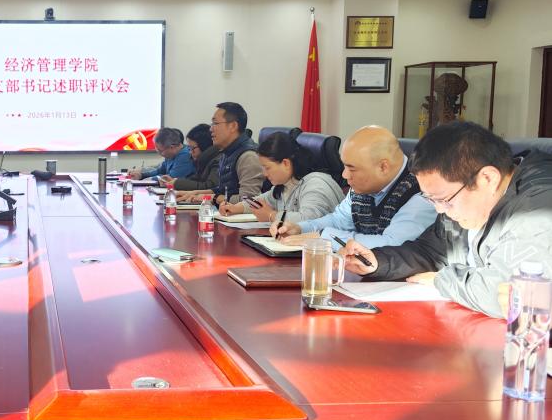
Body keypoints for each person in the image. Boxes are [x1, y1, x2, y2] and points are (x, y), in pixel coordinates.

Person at [340, 122, 552, 318]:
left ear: (488, 178)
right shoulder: (464, 200)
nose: (440, 210)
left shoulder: (538, 208)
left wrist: (442, 280)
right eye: (431, 199)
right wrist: (378, 262)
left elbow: (511, 294)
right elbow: (431, 252)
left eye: (444, 200)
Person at [272, 125, 436, 247]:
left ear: (383, 167)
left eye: (352, 168)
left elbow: (392, 244)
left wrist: (325, 237)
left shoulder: (423, 191)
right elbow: (338, 221)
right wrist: (301, 229)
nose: (344, 175)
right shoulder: (363, 187)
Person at [219, 131, 343, 222]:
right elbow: (262, 201)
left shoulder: (316, 184)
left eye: (267, 168)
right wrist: (236, 208)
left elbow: (309, 220)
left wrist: (271, 215)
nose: (264, 174)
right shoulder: (285, 184)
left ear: (285, 163)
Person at [177, 102, 263, 205]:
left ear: (233, 126)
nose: (210, 129)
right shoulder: (227, 152)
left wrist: (213, 198)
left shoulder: (248, 156)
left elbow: (250, 201)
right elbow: (223, 190)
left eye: (215, 123)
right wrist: (195, 193)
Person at [161, 124, 222, 191]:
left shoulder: (217, 161)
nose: (190, 152)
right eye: (189, 148)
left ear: (204, 146)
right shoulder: (203, 161)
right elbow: (196, 180)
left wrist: (177, 183)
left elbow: (211, 186)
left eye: (192, 148)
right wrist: (174, 181)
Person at [126, 127, 194, 180]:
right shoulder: (171, 155)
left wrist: (148, 179)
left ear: (172, 147)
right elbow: (159, 171)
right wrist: (141, 175)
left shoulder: (186, 156)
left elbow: (169, 178)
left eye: (160, 151)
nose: (160, 154)